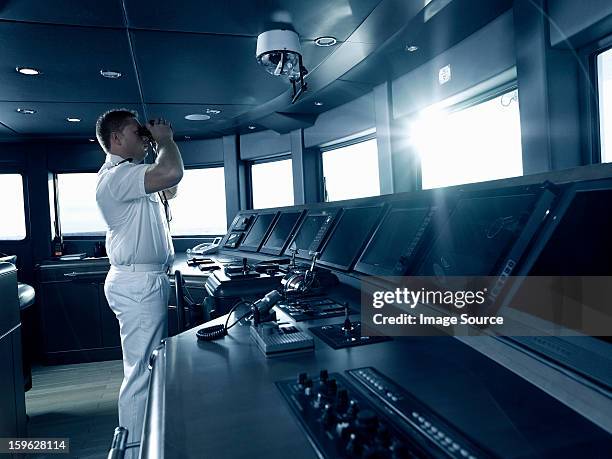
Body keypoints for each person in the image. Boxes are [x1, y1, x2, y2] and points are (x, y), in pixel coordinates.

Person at [95, 109, 183, 455]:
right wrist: (165, 140)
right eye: (137, 132)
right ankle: (132, 451)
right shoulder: (117, 177)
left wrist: (158, 144)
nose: (143, 137)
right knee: (140, 373)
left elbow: (170, 186)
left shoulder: (132, 176)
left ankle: (145, 442)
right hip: (137, 284)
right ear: (117, 139)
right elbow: (172, 170)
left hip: (143, 281)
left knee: (145, 366)